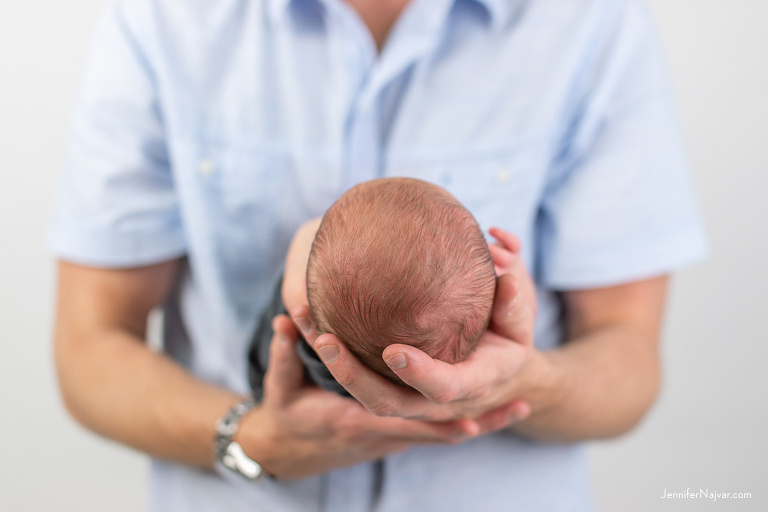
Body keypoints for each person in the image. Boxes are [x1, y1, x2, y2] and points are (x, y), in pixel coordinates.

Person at [50, 0, 708, 511]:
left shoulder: (587, 23)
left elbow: (628, 359)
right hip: (252, 472)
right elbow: (89, 347)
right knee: (291, 340)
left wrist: (522, 382)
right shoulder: (166, 19)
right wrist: (253, 438)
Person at [248, 177, 535, 394]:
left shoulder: (318, 344)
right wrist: (513, 269)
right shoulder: (471, 370)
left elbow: (299, 292)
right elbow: (521, 322)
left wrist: (307, 239)